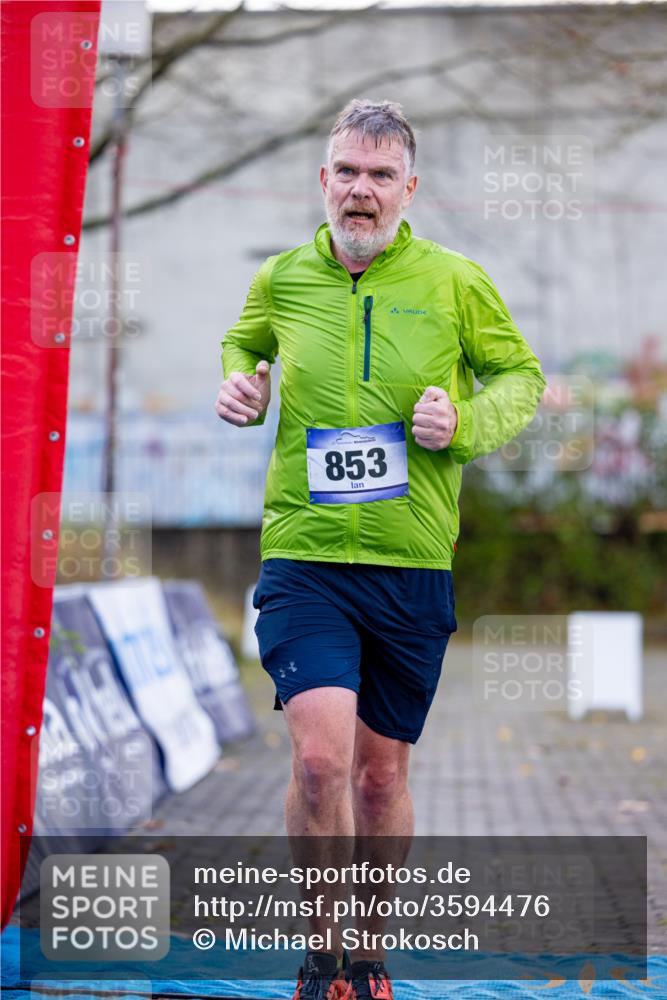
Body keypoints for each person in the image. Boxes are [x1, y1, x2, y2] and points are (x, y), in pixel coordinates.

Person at [215, 99, 546, 1000]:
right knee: (318, 759)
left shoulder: (453, 281)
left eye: (380, 177)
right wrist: (240, 384)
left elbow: (521, 375)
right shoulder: (282, 279)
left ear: (408, 188)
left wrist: (464, 421)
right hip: (305, 555)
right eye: (347, 174)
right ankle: (320, 956)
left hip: (410, 562)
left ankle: (369, 951)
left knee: (376, 774)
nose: (361, 192)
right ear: (324, 181)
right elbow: (244, 344)